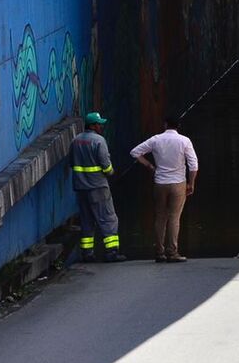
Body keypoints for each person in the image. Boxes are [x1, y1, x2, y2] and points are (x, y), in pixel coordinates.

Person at [130, 118, 200, 263]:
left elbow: (135, 152)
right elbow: (193, 165)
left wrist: (149, 166)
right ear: (178, 126)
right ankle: (172, 252)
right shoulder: (184, 141)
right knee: (174, 217)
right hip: (178, 183)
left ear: (165, 125)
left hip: (160, 183)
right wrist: (191, 183)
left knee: (161, 217)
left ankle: (159, 252)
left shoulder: (156, 140)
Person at [70, 112, 125, 262]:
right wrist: (111, 172)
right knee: (108, 218)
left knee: (87, 220)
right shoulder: (99, 141)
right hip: (98, 187)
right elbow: (106, 166)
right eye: (99, 124)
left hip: (81, 188)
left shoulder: (76, 140)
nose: (101, 126)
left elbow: (71, 162)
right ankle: (111, 252)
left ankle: (87, 254)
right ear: (93, 125)